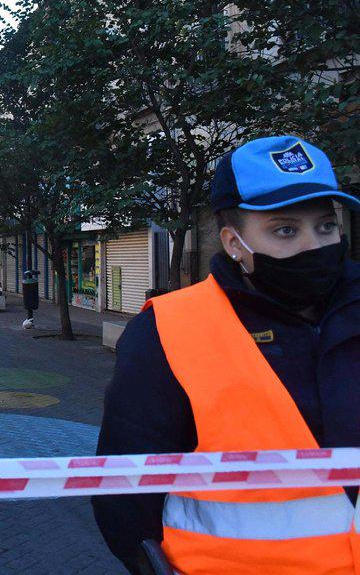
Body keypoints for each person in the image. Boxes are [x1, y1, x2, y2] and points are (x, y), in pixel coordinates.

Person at [93, 136, 358, 575]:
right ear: (234, 243)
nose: (314, 246)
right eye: (286, 230)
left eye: (326, 226)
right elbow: (125, 491)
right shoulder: (168, 330)